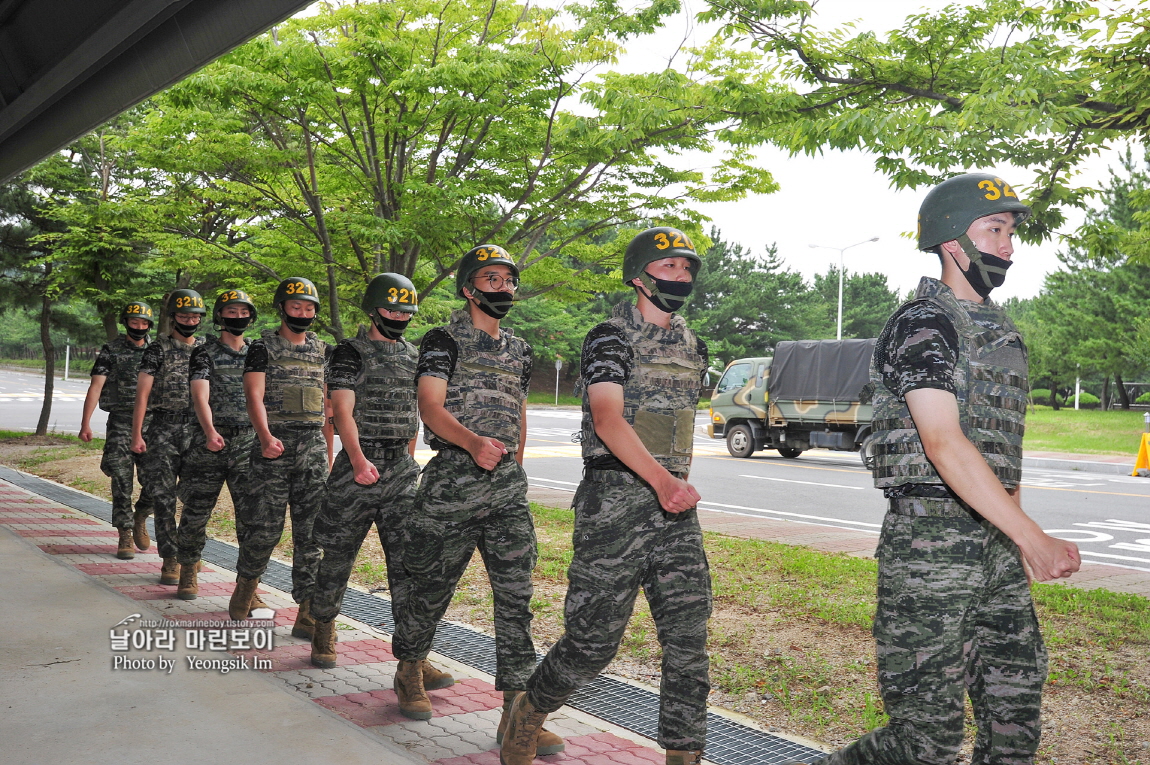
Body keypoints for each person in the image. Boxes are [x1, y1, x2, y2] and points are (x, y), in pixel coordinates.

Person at [787, 173, 1081, 765]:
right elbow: (943, 443)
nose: (1007, 244)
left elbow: (1002, 453)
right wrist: (1036, 539)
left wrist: (1017, 544)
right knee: (924, 742)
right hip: (930, 551)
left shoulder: (1002, 334)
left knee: (1015, 724)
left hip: (997, 553)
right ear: (953, 241)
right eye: (993, 229)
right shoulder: (924, 323)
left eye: (1010, 231)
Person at [501, 227, 710, 765]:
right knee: (592, 642)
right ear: (639, 275)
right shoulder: (609, 337)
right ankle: (529, 712)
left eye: (687, 269)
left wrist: (673, 485)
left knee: (689, 643)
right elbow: (607, 417)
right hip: (614, 504)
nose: (681, 277)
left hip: (675, 510)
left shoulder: (693, 345)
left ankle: (684, 754)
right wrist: (662, 483)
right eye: (669, 268)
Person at [390, 244, 561, 754]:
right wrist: (471, 443)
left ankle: (517, 710)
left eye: (508, 280)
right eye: (491, 279)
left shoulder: (521, 348)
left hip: (505, 489)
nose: (503, 287)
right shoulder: (443, 340)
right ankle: (409, 668)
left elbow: (519, 411)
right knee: (430, 588)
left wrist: (518, 466)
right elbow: (430, 406)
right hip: (452, 484)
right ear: (469, 288)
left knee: (516, 599)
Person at [308, 273, 452, 689]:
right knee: (337, 558)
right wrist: (356, 460)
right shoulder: (350, 353)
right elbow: (341, 411)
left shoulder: (415, 355)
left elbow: (417, 411)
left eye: (406, 311)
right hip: (358, 467)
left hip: (400, 471)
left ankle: (414, 657)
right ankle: (323, 626)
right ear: (373, 310)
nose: (398, 317)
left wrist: (406, 464)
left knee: (409, 568)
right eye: (391, 310)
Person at [231, 277, 332, 639]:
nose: (303, 313)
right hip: (274, 447)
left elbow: (328, 404)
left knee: (312, 537)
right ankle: (244, 592)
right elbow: (253, 396)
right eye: (295, 307)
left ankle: (306, 612)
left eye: (309, 308)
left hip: (312, 449)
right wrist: (264, 437)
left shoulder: (324, 350)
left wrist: (327, 453)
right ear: (282, 309)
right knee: (264, 530)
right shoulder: (263, 348)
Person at [175, 289, 258, 601]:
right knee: (196, 511)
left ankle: (248, 584)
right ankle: (187, 569)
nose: (238, 318)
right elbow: (200, 395)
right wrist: (210, 432)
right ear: (220, 316)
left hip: (248, 442)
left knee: (251, 519)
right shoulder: (204, 352)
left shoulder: (258, 352)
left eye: (243, 312)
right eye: (231, 312)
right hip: (209, 442)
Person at [131, 289, 206, 584]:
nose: (189, 321)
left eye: (195, 316)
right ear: (173, 317)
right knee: (163, 498)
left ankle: (190, 553)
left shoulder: (206, 349)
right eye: (184, 316)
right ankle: (171, 559)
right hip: (162, 429)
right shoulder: (157, 349)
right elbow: (142, 395)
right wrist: (137, 434)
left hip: (197, 431)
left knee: (195, 499)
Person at [79, 301, 157, 559]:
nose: (139, 327)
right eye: (134, 322)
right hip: (121, 422)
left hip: (153, 424)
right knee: (122, 481)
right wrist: (85, 423)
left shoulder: (157, 351)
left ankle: (141, 515)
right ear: (126, 322)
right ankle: (124, 533)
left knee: (157, 482)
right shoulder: (111, 351)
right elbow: (96, 387)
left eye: (144, 323)